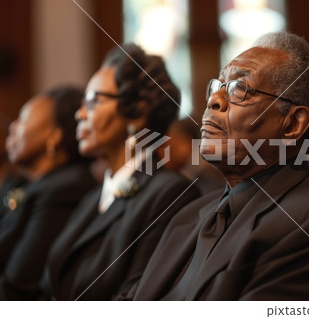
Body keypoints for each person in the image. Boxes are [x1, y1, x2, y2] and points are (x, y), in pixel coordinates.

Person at [120, 32, 309, 301]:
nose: (214, 100)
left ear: (293, 124)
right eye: (218, 86)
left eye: (239, 89)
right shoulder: (190, 215)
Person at [40, 44, 200, 300]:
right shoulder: (92, 198)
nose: (79, 113)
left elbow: (136, 297)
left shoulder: (169, 192)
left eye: (93, 101)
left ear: (135, 114)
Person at [0, 86, 97, 300]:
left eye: (23, 119)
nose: (13, 126)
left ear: (53, 136)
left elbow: (17, 286)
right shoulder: (31, 185)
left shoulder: (64, 189)